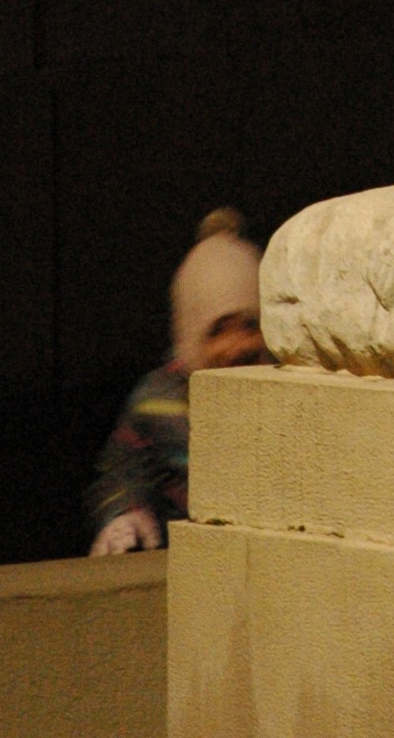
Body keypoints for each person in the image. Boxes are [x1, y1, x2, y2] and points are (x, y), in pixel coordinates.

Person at [86, 209, 264, 555]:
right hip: (189, 558)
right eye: (218, 330)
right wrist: (125, 513)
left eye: (250, 326)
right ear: (191, 338)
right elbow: (121, 471)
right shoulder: (157, 400)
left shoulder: (283, 394)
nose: (237, 346)